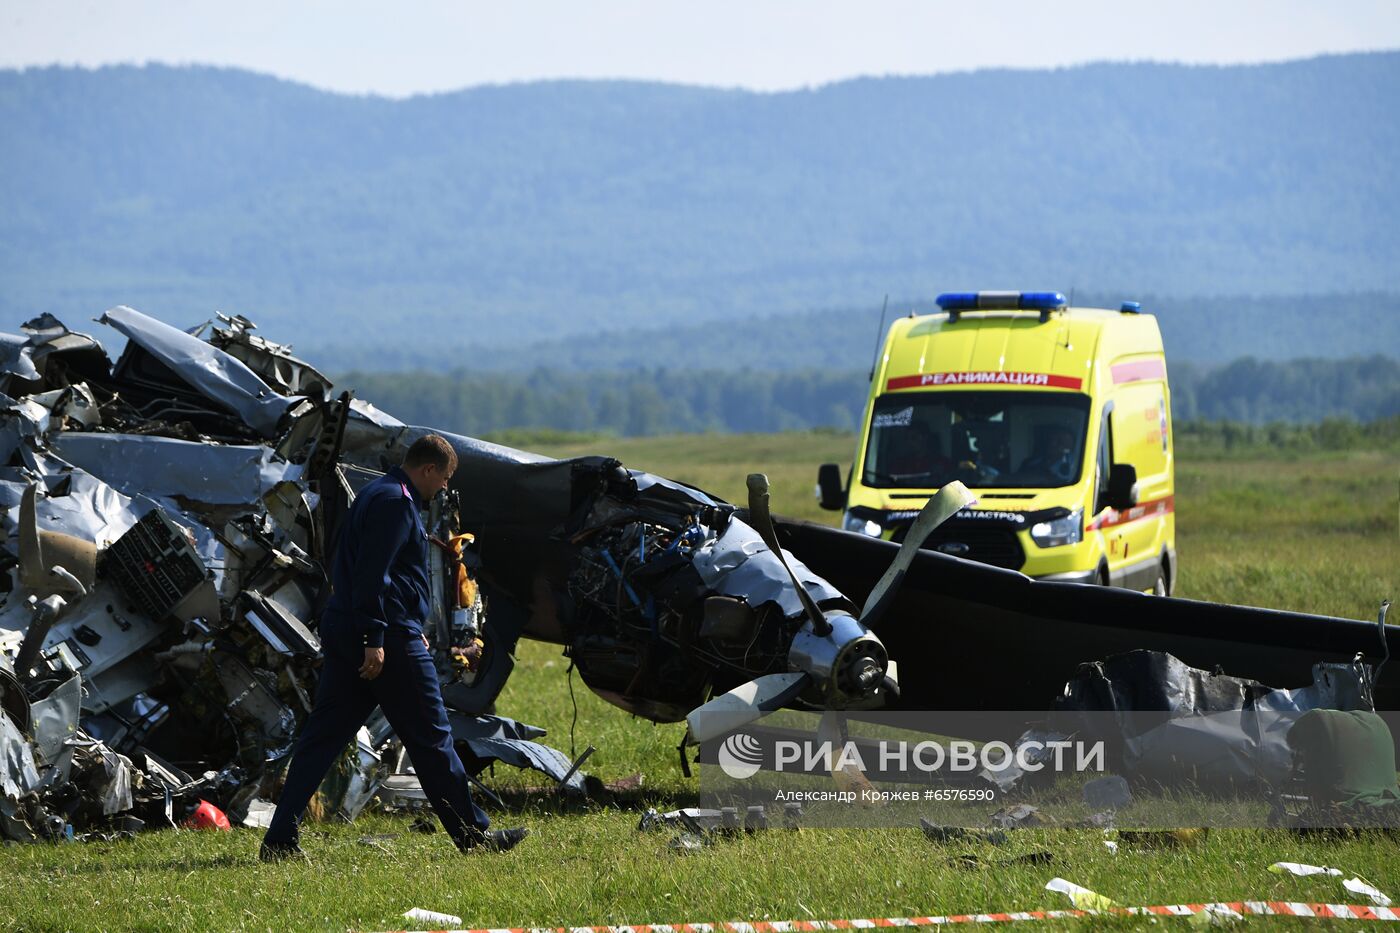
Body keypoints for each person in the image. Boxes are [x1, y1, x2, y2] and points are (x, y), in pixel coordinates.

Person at [260, 434, 528, 861]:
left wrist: (392, 625)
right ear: (427, 469)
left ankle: (279, 840)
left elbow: (368, 575)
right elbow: (373, 576)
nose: (444, 487)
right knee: (433, 738)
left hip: (359, 630)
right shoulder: (396, 503)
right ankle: (474, 837)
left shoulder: (374, 494)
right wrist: (377, 637)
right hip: (382, 641)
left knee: (322, 740)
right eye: (444, 478)